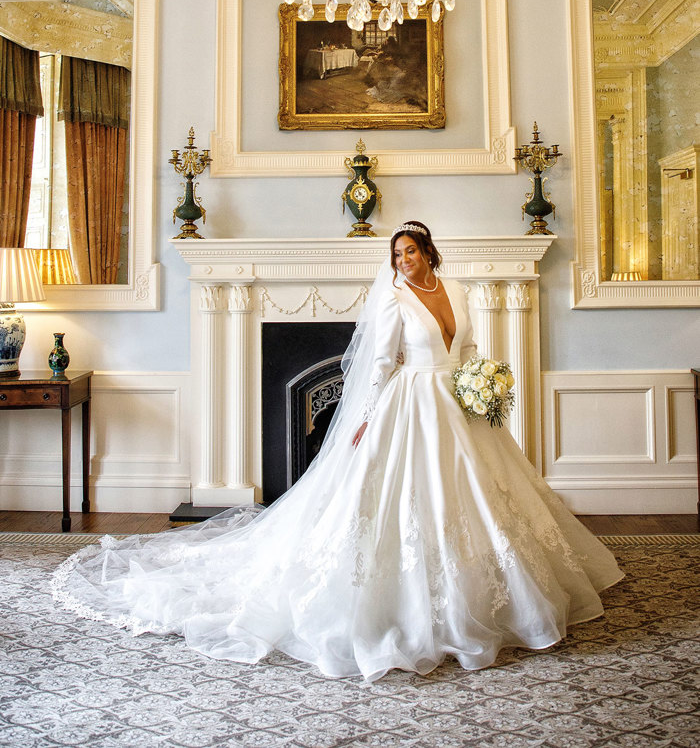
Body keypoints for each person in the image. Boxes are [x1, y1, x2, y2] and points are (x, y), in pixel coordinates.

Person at [52, 221, 622, 682]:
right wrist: (367, 415)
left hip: (458, 400)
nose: (402, 261)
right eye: (396, 254)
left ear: (429, 253)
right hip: (410, 403)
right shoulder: (396, 301)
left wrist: (481, 381)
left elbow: (467, 345)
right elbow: (380, 363)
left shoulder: (461, 292)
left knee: (483, 493)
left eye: (410, 252)